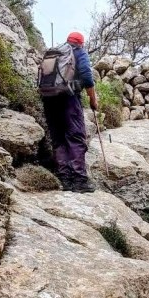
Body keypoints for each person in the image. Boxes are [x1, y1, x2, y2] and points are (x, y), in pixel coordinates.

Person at [41, 31, 98, 193]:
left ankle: (64, 178)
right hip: (68, 98)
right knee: (75, 136)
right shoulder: (79, 52)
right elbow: (87, 78)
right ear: (81, 43)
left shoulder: (54, 52)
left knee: (58, 137)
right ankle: (79, 180)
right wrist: (93, 100)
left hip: (49, 98)